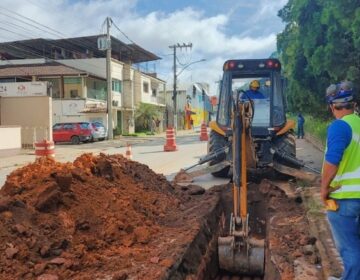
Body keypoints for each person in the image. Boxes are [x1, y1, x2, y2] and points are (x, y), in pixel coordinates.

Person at [321, 81, 360, 280]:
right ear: (353, 104)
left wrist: (324, 189)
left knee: (350, 248)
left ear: (332, 106)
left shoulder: (340, 126)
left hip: (345, 200)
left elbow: (332, 161)